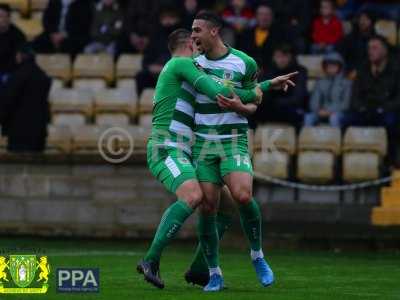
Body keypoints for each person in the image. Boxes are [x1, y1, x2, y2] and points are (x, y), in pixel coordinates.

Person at [136, 28, 277, 290]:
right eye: (196, 41)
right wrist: (261, 89)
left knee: (224, 206)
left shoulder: (183, 70)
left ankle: (201, 270)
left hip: (184, 149)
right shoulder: (181, 64)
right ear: (190, 44)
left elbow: (221, 88)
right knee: (193, 197)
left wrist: (260, 87)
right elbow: (219, 92)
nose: (200, 48)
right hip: (166, 147)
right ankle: (150, 260)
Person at [187, 11, 297, 291]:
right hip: (203, 143)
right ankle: (214, 273)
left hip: (234, 139)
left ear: (214, 31)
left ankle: (257, 256)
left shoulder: (244, 62)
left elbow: (252, 102)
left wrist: (241, 106)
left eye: (197, 30)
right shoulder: (191, 64)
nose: (193, 35)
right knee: (208, 206)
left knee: (243, 195)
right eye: (192, 30)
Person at [350, 35, 400, 164]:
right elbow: (355, 96)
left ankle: (391, 163)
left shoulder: (396, 70)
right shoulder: (362, 69)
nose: (370, 51)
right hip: (365, 110)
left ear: (385, 51)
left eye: (375, 48)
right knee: (343, 120)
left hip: (387, 111)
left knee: (392, 122)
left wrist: (383, 108)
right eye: (369, 48)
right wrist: (361, 107)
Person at [0, 45, 51, 152]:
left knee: (17, 164)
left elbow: (7, 101)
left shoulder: (17, 76)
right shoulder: (43, 76)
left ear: (20, 56)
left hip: (18, 130)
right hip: (38, 130)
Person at [249, 44, 308, 130]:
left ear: (291, 57)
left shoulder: (299, 71)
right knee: (250, 111)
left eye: (285, 56)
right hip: (271, 108)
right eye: (278, 56)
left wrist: (275, 103)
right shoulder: (269, 71)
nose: (281, 60)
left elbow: (298, 97)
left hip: (290, 109)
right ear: (273, 57)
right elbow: (262, 93)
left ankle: (297, 142)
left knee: (298, 114)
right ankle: (250, 141)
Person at [135, 6, 181, 97]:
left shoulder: (182, 38)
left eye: (171, 18)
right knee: (141, 76)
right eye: (164, 18)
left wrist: (166, 69)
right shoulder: (155, 38)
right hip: (156, 75)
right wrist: (151, 68)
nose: (167, 21)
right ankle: (143, 102)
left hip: (174, 76)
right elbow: (146, 62)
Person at [304, 52, 351, 128]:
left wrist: (329, 111)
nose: (331, 67)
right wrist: (318, 111)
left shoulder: (347, 83)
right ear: (325, 66)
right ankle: (307, 139)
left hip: (338, 113)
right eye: (328, 65)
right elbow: (313, 102)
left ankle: (336, 139)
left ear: (340, 66)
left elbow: (346, 104)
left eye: (334, 64)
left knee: (334, 118)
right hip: (320, 112)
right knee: (308, 117)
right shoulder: (320, 82)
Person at [238, 2, 280, 76]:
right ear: (256, 16)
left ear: (272, 17)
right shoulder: (246, 34)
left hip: (272, 73)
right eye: (261, 14)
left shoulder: (280, 34)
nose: (264, 17)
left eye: (267, 14)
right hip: (248, 72)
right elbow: (241, 54)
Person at [338, 11, 376, 76]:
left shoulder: (376, 40)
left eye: (366, 19)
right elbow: (341, 56)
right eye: (361, 19)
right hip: (349, 72)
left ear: (372, 22)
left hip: (369, 72)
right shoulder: (349, 38)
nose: (362, 22)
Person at [0, 4, 26, 87]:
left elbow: (18, 61)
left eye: (2, 16)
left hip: (8, 73)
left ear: (8, 18)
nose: (0, 19)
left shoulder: (18, 35)